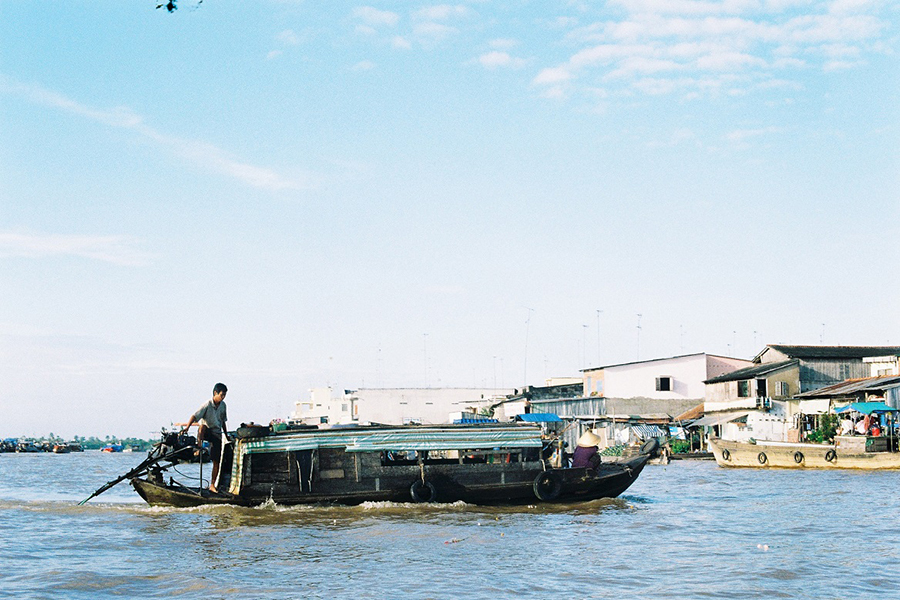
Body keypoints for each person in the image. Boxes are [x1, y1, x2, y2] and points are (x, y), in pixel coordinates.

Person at [183, 383, 228, 493]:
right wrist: (187, 428)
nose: (223, 397)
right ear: (215, 393)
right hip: (207, 432)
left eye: (225, 395)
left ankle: (212, 485)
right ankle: (199, 447)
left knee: (216, 461)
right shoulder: (207, 404)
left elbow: (223, 422)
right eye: (221, 395)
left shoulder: (223, 405)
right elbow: (194, 416)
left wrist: (226, 435)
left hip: (217, 434)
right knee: (202, 427)